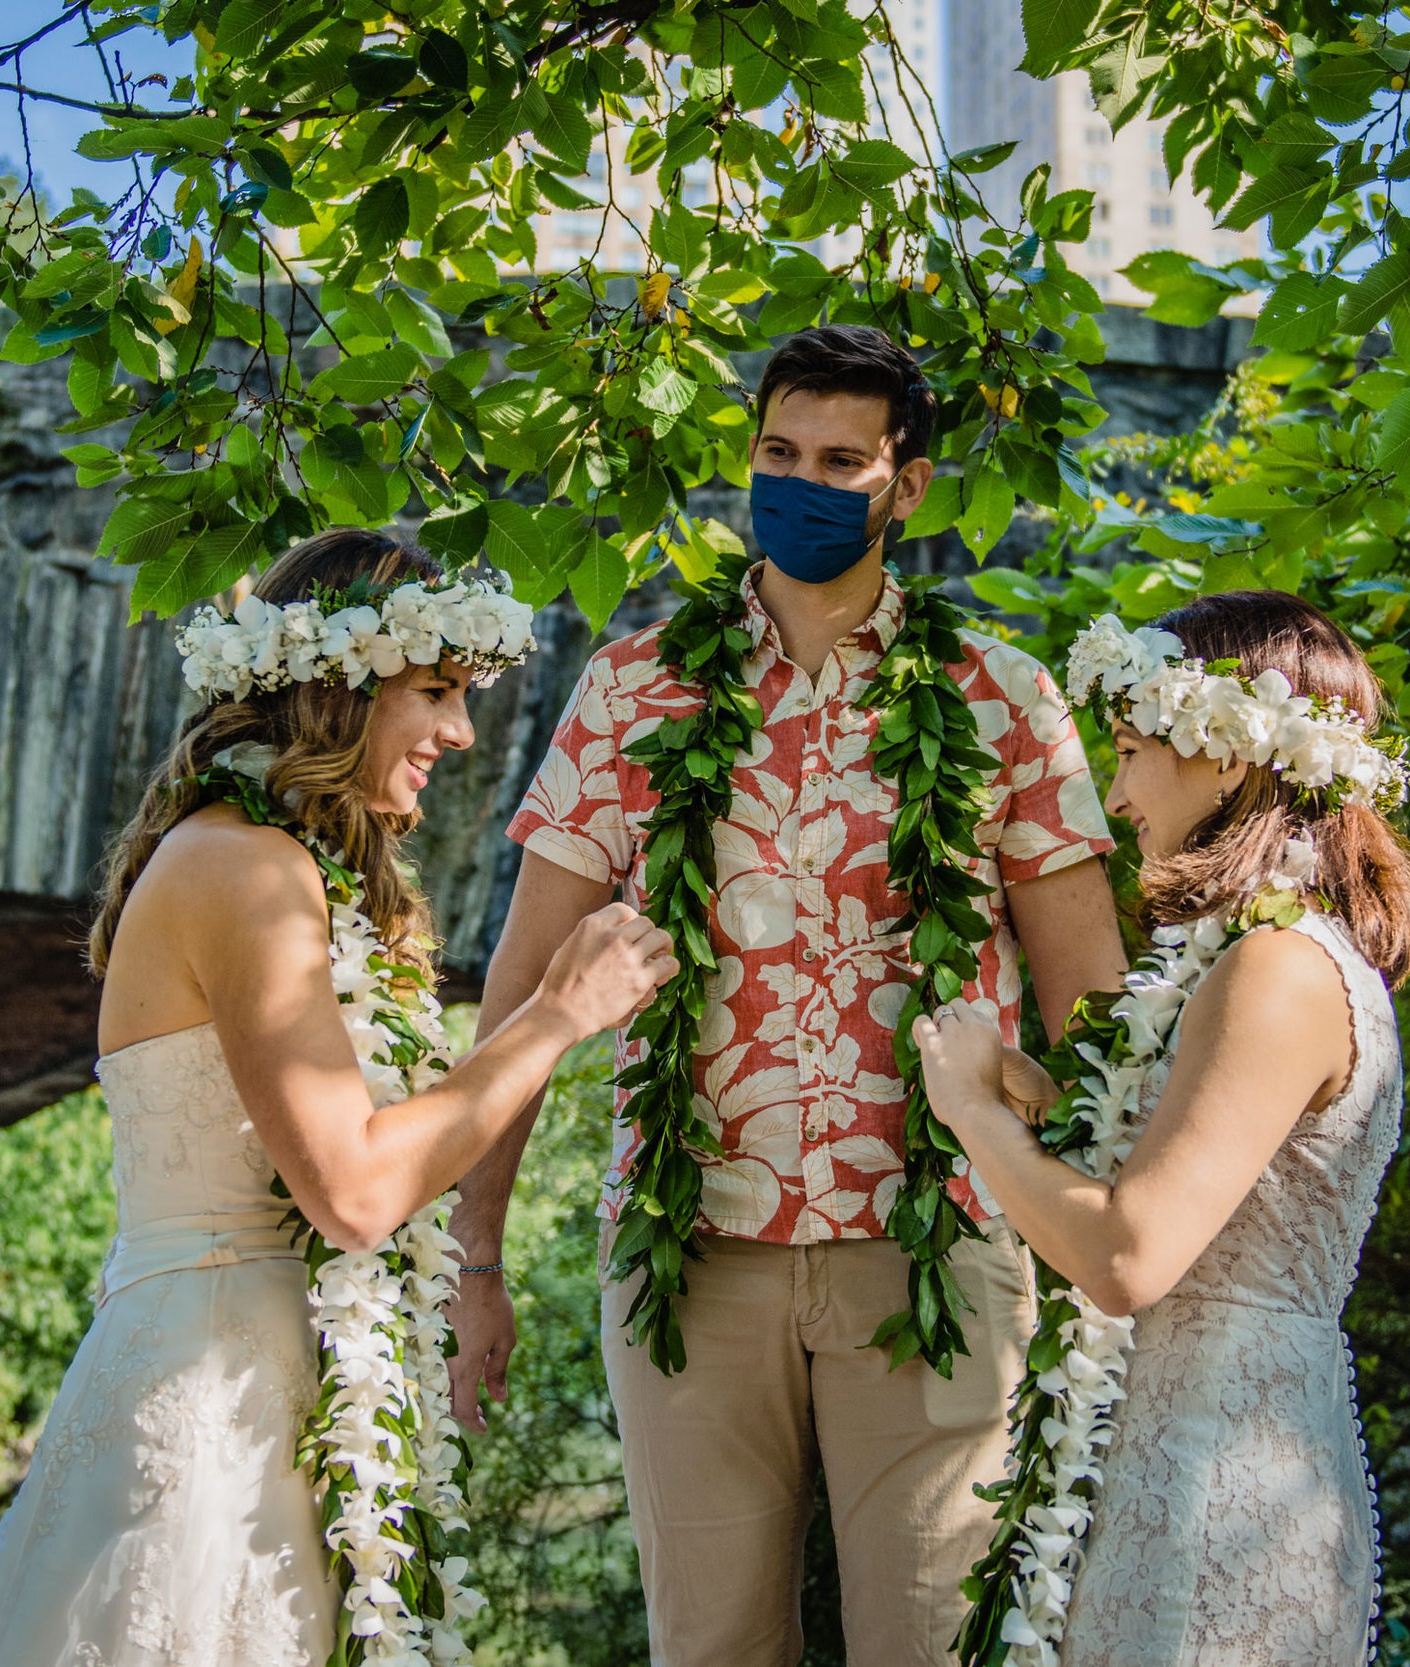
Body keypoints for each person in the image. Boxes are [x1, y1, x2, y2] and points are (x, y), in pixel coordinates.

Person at [450, 324, 1129, 1665]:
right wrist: (475, 1256)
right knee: (710, 1649)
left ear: (906, 484)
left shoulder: (1004, 697)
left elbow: (1099, 1024)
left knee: (942, 1646)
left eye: (838, 459)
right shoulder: (633, 689)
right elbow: (520, 994)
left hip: (937, 1250)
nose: (800, 481)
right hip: (691, 1251)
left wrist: (1113, 1264)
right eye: (777, 452)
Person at [0, 529, 677, 1667]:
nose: (463, 731)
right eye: (434, 691)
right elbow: (359, 1188)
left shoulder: (281, 865)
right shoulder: (246, 871)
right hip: (213, 1434)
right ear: (337, 689)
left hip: (285, 1404)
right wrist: (557, 1014)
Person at [913, 589, 1410, 1666]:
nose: (1114, 791)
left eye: (1132, 747)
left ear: (1227, 753)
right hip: (1170, 1445)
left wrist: (968, 1112)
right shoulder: (1264, 955)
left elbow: (1129, 1252)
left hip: (1219, 1484)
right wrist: (1039, 1104)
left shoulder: (1278, 969)